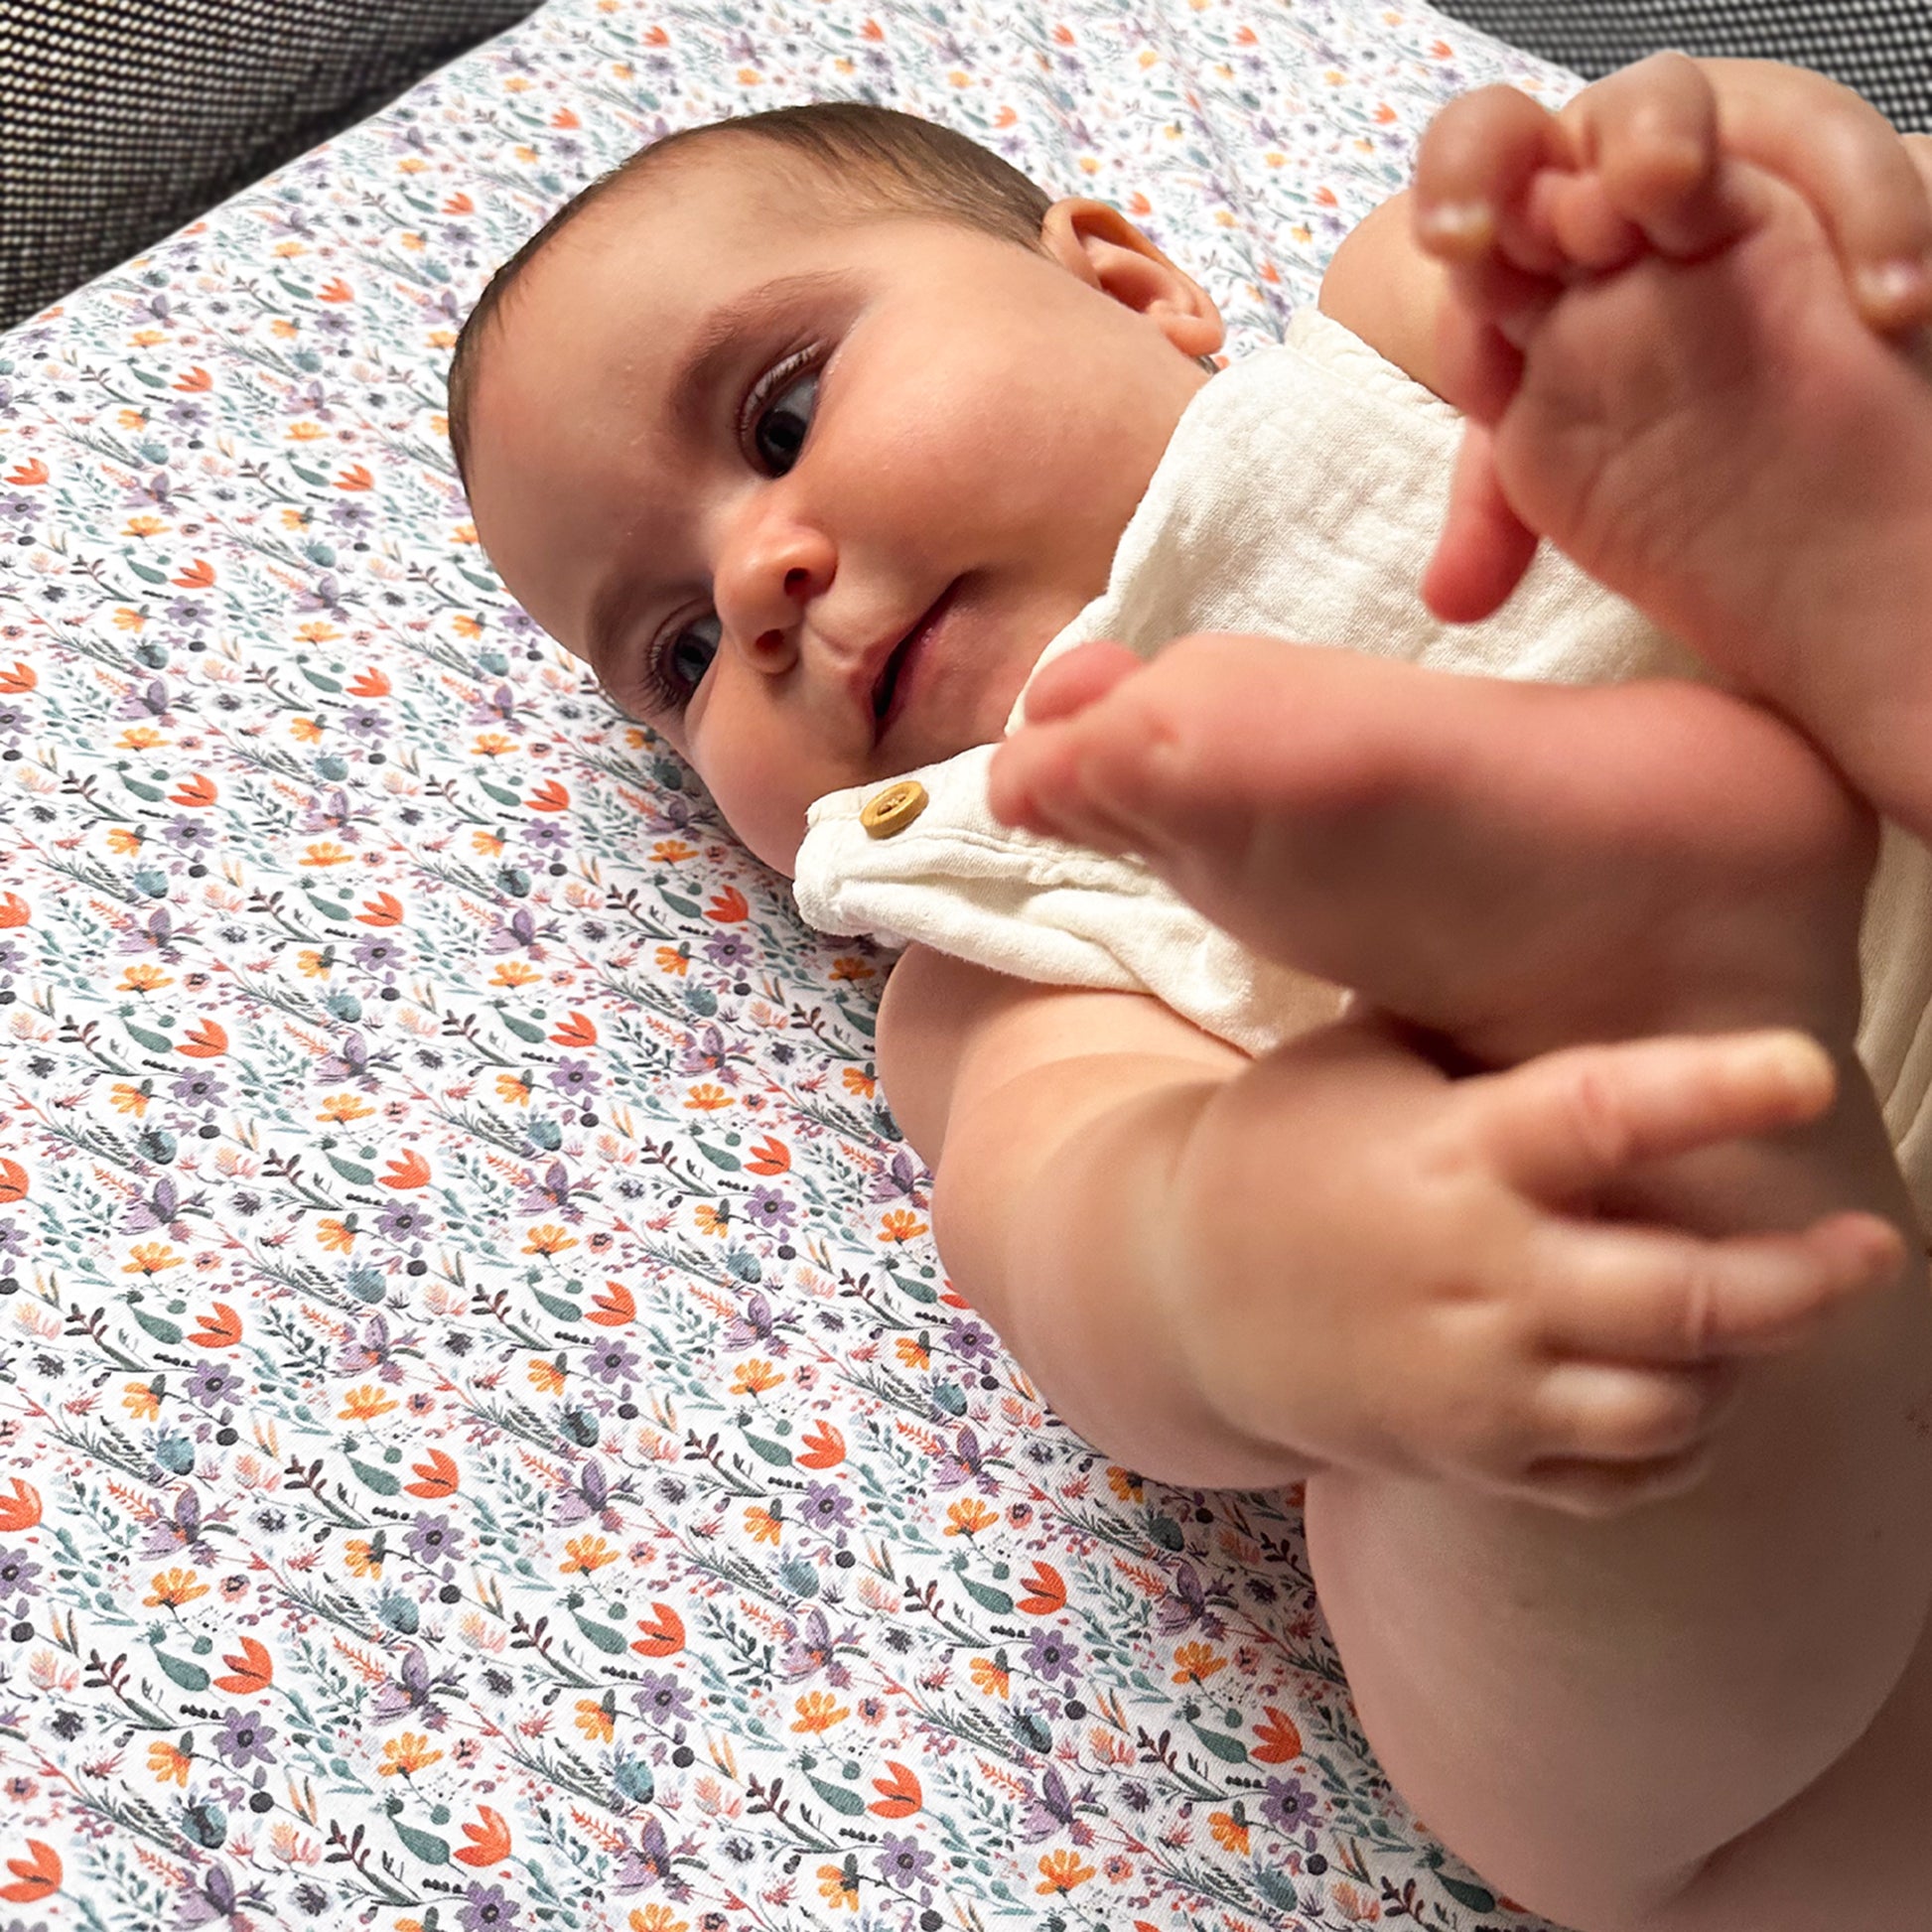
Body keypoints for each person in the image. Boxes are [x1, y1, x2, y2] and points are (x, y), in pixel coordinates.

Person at [448, 53, 1932, 1929]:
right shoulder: (982, 916)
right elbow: (1068, 1202)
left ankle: (1881, 569)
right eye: (670, 654)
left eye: (782, 412)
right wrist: (1245, 1270)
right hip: (1788, 1448)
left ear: (1127, 287)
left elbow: (1653, 189)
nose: (757, 579)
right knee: (1604, 1774)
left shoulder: (1416, 357)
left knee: (1626, 1845)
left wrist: (1708, 209)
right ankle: (1627, 1024)